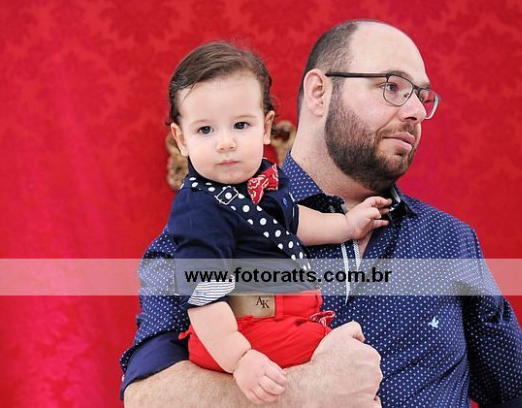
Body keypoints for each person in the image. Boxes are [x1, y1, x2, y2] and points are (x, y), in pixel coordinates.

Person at [121, 20, 522, 407]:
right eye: (392, 87)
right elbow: (146, 397)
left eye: (421, 97)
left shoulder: (450, 243)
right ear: (319, 92)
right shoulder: (203, 232)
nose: (415, 112)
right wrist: (301, 393)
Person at [163, 41, 390, 404]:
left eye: (241, 125)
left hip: (279, 321)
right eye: (205, 130)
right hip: (241, 330)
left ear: (266, 127)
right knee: (338, 358)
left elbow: (294, 221)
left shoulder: (265, 181)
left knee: (341, 354)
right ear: (181, 139)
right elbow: (203, 295)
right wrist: (240, 359)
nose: (225, 143)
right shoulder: (199, 210)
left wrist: (347, 225)